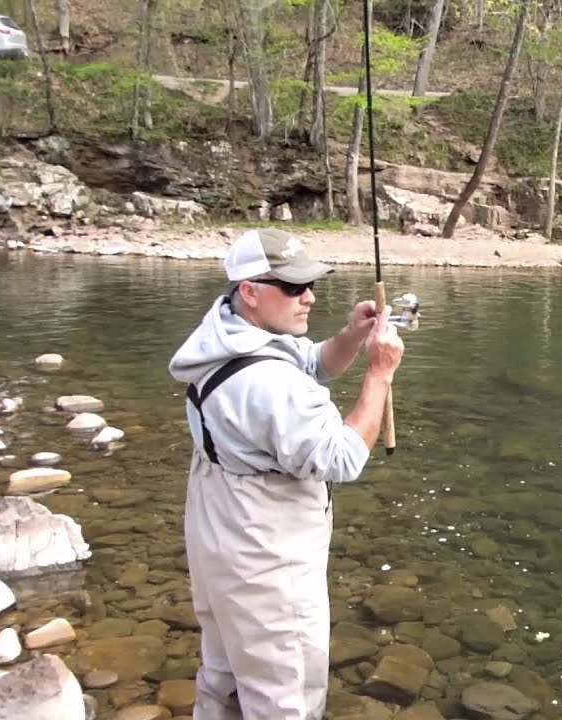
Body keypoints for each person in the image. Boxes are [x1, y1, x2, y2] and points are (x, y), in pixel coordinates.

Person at [168, 228, 404, 720]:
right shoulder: (272, 384)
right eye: (294, 288)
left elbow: (312, 363)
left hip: (219, 535)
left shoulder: (228, 331)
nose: (309, 297)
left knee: (225, 675)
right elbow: (342, 457)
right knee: (285, 698)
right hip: (265, 557)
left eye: (310, 284)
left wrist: (353, 337)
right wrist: (379, 373)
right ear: (251, 291)